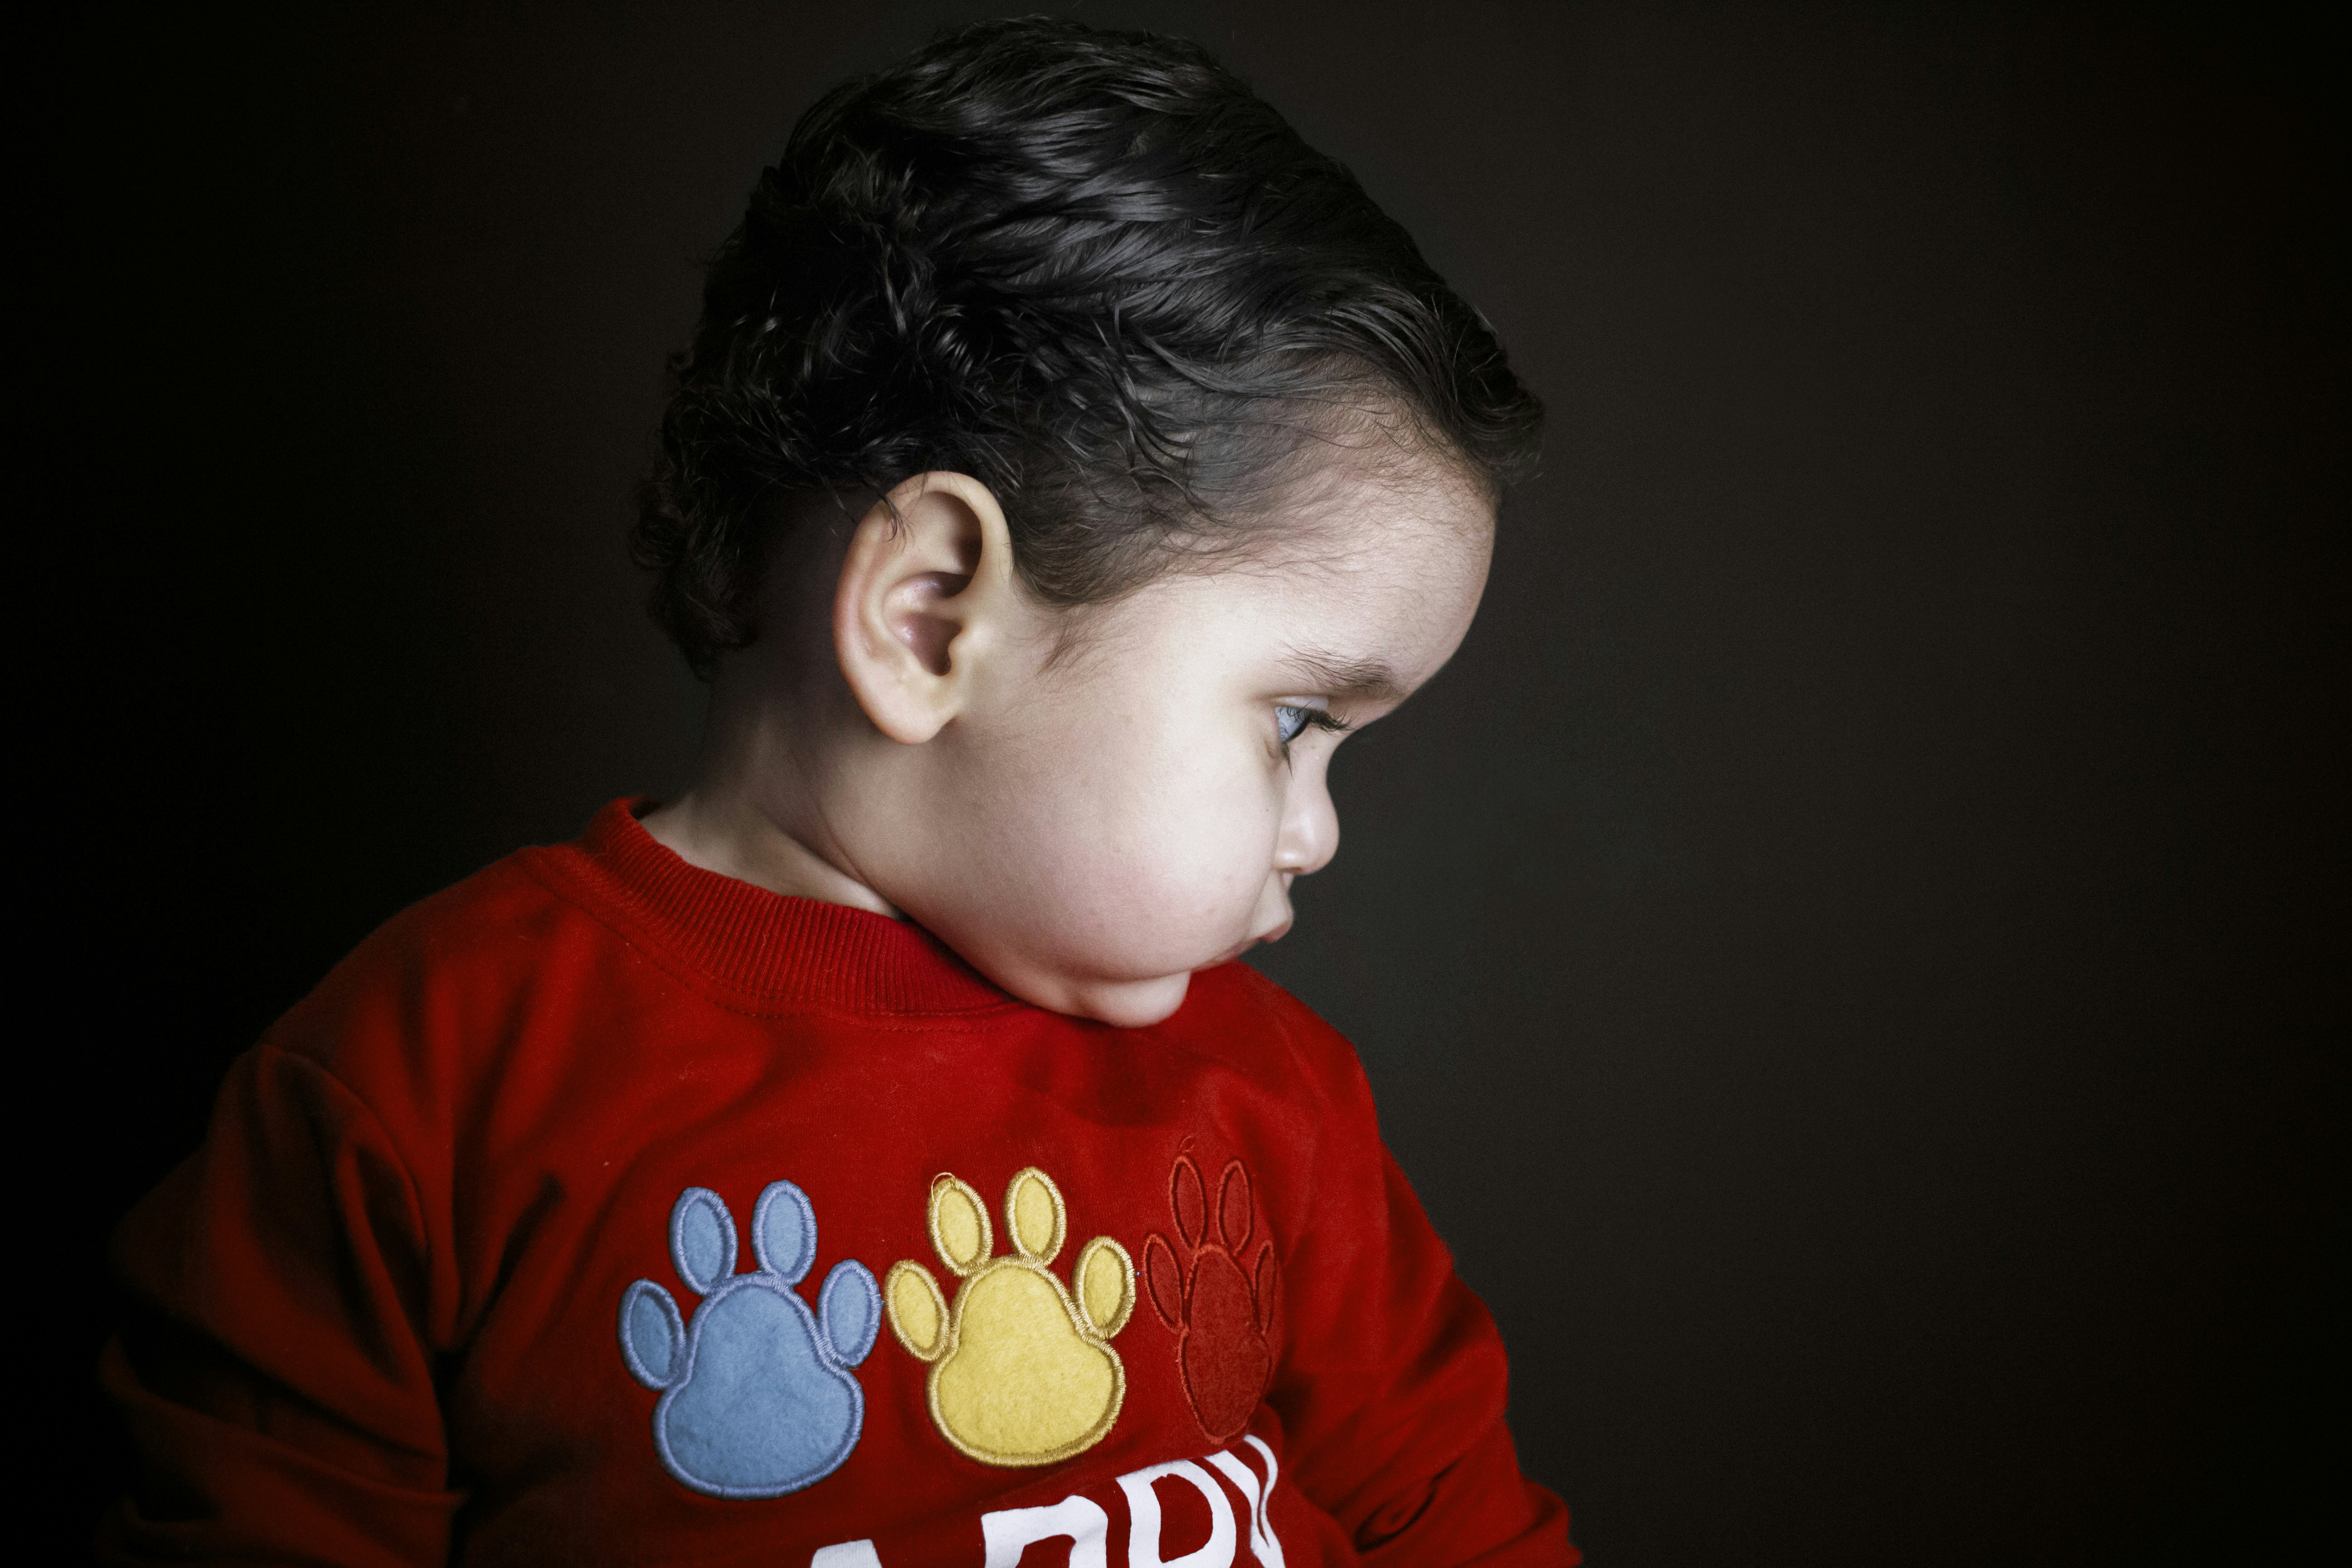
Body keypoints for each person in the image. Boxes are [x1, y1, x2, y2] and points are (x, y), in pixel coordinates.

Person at [99, 18, 1573, 1565]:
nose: (1318, 829)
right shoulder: (420, 1089)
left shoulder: (1276, 1102)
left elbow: (1452, 1520)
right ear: (931, 616)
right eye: (1294, 720)